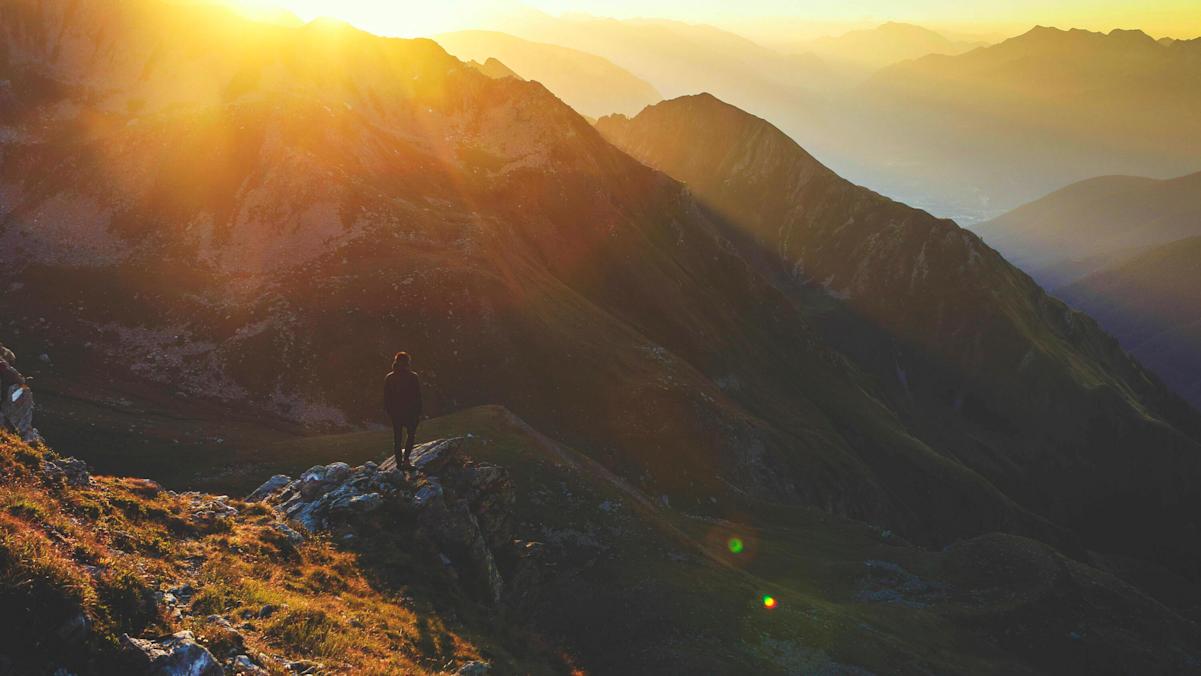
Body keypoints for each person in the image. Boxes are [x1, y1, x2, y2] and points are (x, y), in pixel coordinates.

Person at [384, 352, 422, 470]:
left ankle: (399, 464)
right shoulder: (413, 376)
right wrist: (418, 412)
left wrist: (390, 411)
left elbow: (386, 397)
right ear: (407, 362)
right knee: (410, 435)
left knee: (397, 438)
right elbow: (417, 396)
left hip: (396, 413)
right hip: (410, 412)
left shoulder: (390, 377)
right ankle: (406, 460)